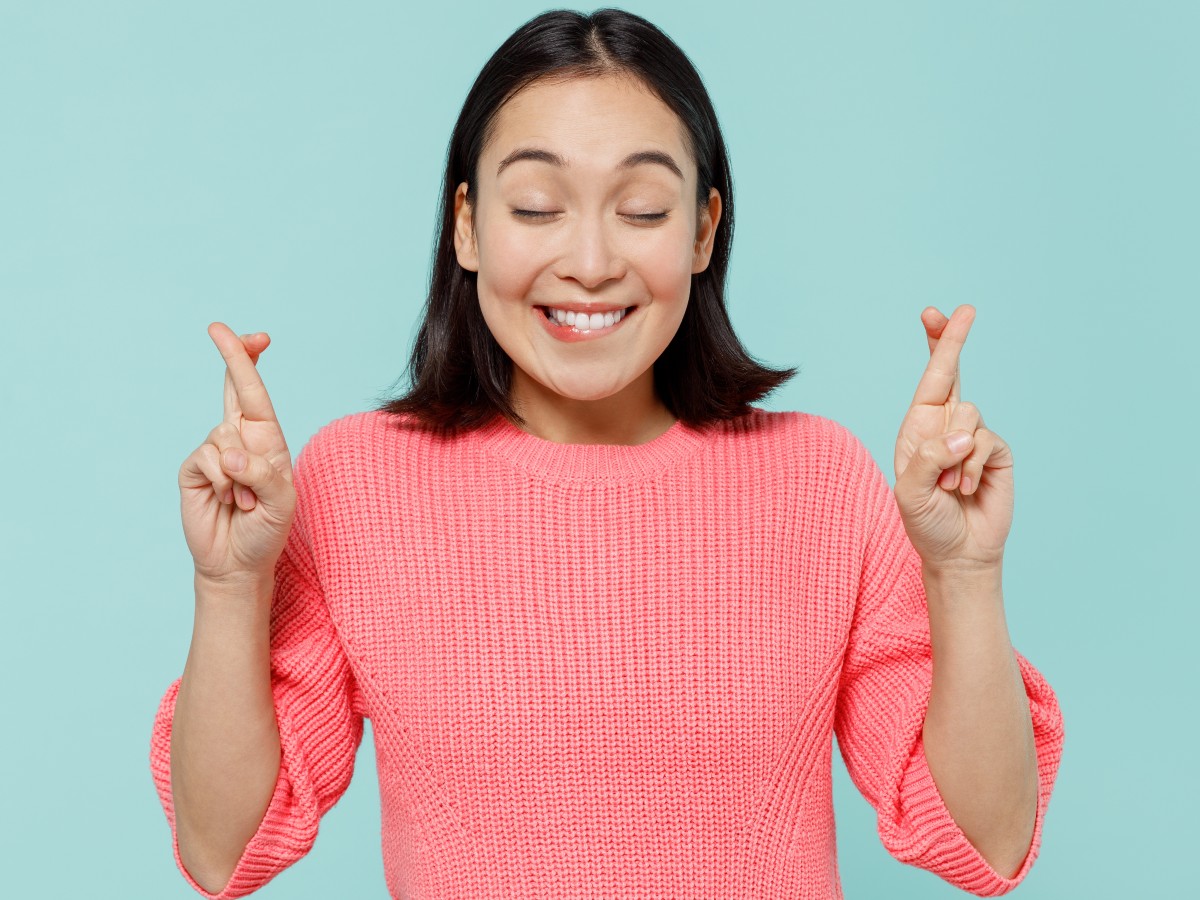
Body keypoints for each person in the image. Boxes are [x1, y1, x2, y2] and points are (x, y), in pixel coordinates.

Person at [150, 8, 1063, 899]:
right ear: (467, 225)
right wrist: (230, 586)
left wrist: (964, 574)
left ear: (703, 230)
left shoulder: (820, 481)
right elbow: (225, 851)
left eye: (641, 208)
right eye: (539, 206)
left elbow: (984, 842)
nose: (590, 261)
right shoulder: (354, 483)